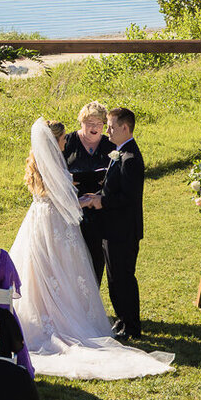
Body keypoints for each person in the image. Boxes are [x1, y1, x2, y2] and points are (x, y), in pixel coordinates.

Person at [8, 119, 173, 377]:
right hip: (54, 224)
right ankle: (61, 320)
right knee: (57, 270)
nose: (66, 141)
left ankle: (44, 315)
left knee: (42, 272)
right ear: (55, 141)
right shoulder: (53, 164)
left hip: (39, 221)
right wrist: (88, 202)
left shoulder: (38, 162)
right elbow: (64, 202)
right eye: (63, 139)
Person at [100, 107, 147, 342]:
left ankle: (132, 325)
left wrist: (101, 201)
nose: (107, 130)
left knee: (124, 278)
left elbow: (128, 198)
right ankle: (121, 318)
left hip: (123, 230)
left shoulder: (130, 159)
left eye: (111, 126)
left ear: (125, 128)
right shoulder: (119, 151)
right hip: (112, 228)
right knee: (113, 278)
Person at [63, 101, 114, 289]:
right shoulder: (68, 142)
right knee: (74, 255)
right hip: (73, 206)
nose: (94, 127)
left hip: (100, 206)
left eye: (99, 123)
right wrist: (68, 179)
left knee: (96, 254)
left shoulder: (110, 144)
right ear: (81, 122)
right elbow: (55, 172)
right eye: (89, 122)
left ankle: (93, 293)